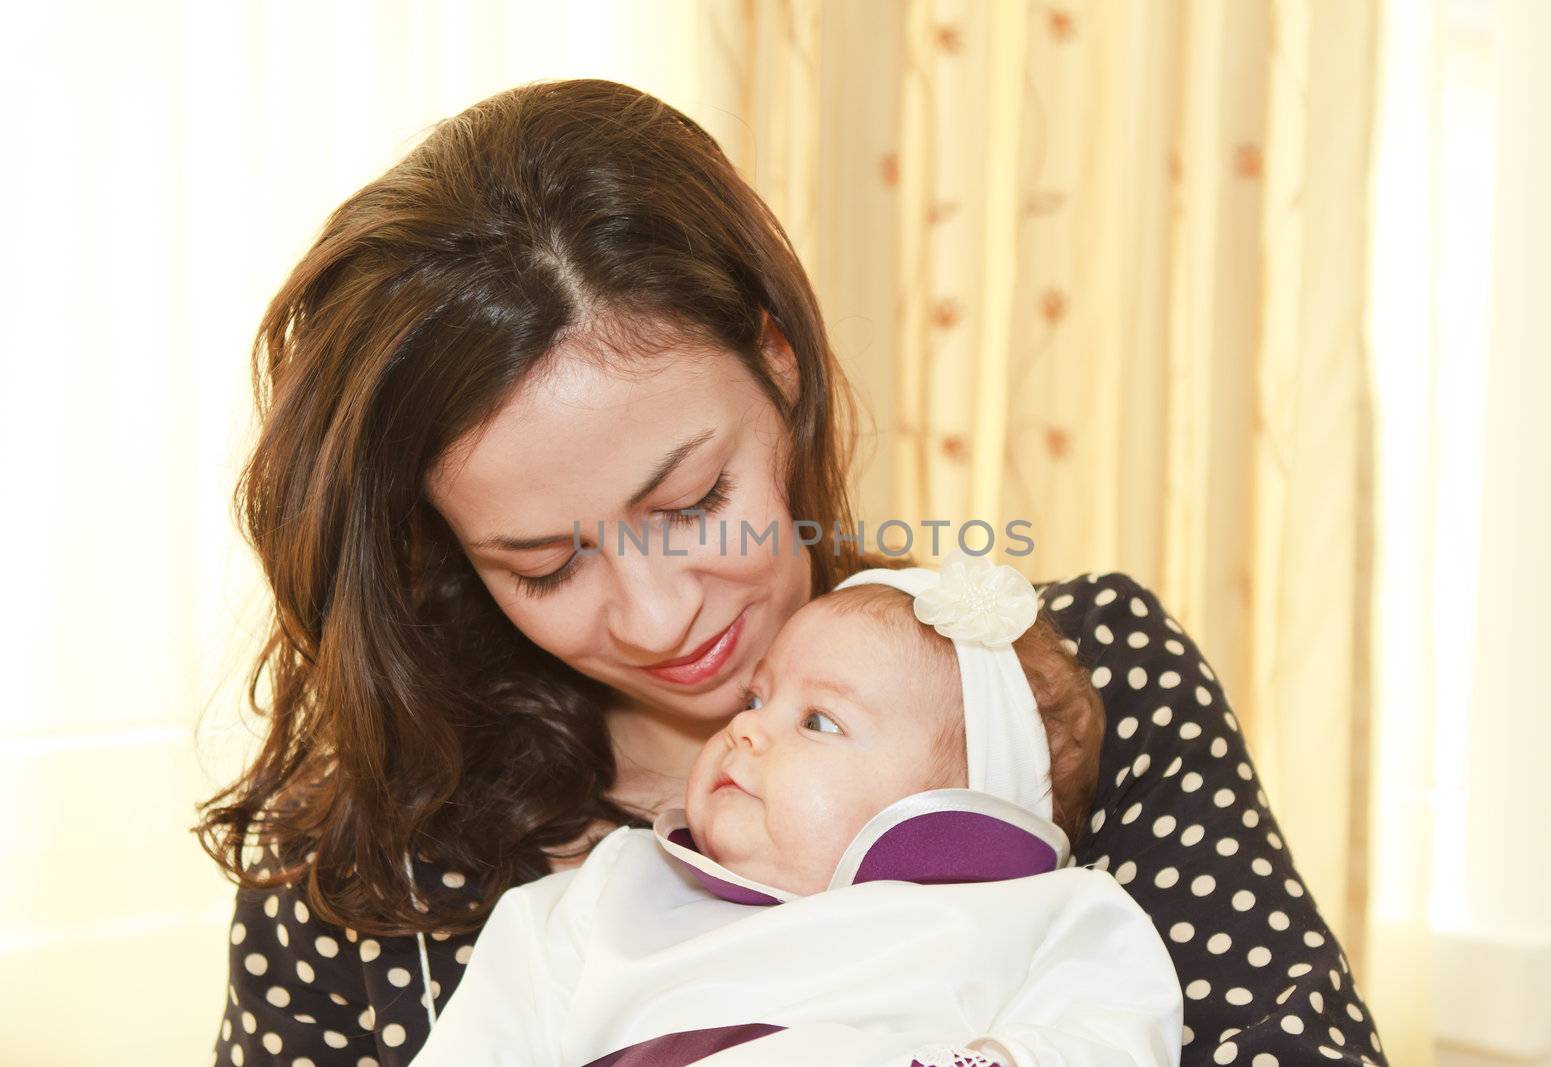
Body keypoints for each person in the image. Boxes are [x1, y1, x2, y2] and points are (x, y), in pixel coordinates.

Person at [200, 78, 1389, 1066]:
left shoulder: (1055, 695)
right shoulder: (360, 864)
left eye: (693, 501)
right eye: (547, 563)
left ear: (779, 363)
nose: (662, 616)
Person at [409, 555, 1182, 1066]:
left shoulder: (1043, 916)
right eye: (756, 698)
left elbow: (1110, 1036)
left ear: (962, 818)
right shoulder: (604, 898)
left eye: (819, 720)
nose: (746, 725)